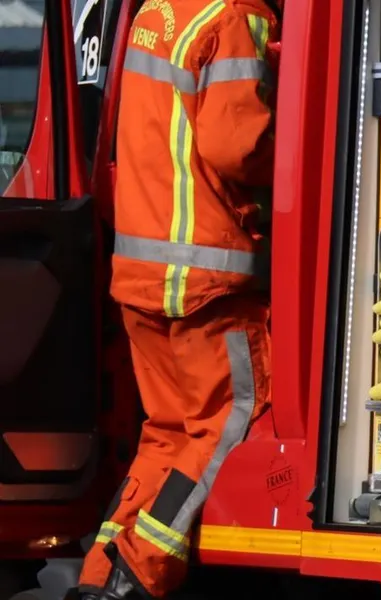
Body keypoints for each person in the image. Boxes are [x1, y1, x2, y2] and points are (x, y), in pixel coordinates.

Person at [72, 1, 280, 598]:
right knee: (228, 424)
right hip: (203, 281)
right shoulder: (236, 15)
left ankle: (98, 577)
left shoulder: (157, 9)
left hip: (142, 272)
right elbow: (235, 147)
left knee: (167, 432)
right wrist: (300, 147)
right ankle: (138, 576)